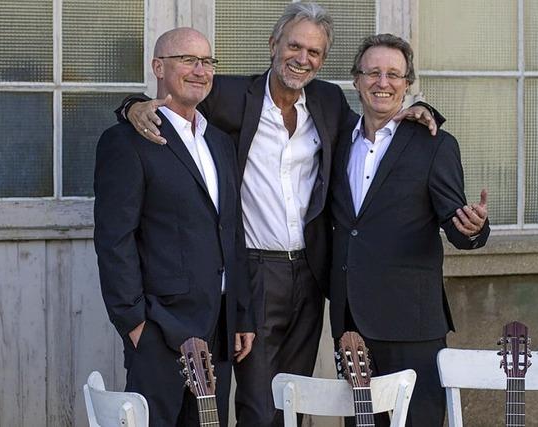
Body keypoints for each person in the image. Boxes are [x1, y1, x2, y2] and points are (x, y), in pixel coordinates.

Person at [116, 4, 443, 426]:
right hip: (254, 270)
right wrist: (132, 105)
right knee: (257, 400)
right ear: (273, 45)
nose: (302, 59)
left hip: (308, 273)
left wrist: (420, 112)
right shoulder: (231, 95)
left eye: (314, 52)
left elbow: (375, 124)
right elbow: (181, 90)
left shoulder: (326, 101)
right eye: (294, 45)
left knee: (294, 396)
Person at [94, 27, 254, 427]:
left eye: (207, 61)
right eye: (187, 59)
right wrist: (134, 324)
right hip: (160, 329)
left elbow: (231, 232)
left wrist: (241, 314)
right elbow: (114, 239)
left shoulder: (220, 142)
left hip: (219, 330)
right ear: (158, 67)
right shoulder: (127, 141)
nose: (200, 70)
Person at [328, 34, 490, 427]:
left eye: (394, 75)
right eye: (373, 72)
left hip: (411, 324)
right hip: (351, 322)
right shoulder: (338, 140)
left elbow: (457, 224)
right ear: (356, 80)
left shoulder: (434, 144)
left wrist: (473, 229)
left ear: (407, 84)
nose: (383, 82)